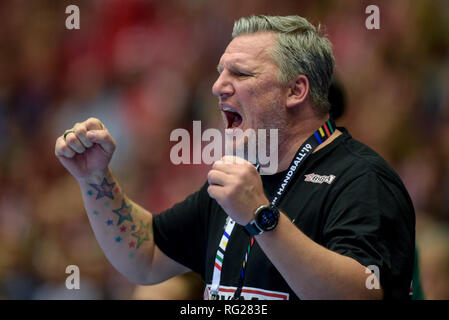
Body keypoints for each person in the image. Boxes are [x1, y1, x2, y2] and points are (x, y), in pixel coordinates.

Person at [55, 15, 415, 300]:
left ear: (296, 90)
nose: (217, 86)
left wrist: (260, 218)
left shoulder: (362, 180)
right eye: (220, 72)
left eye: (240, 73)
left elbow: (361, 294)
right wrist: (95, 179)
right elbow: (145, 257)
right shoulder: (239, 181)